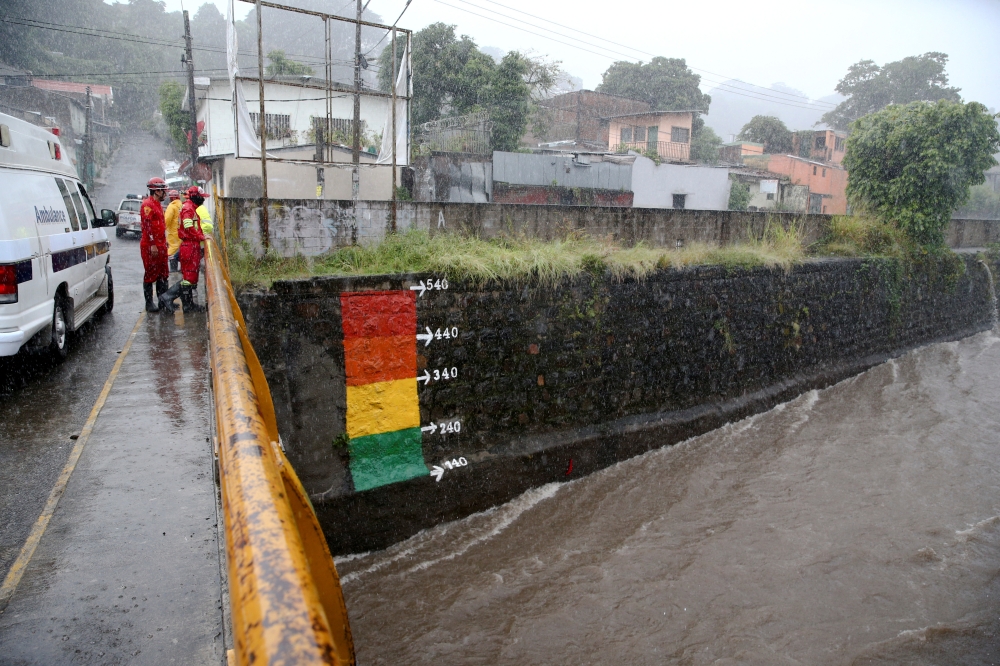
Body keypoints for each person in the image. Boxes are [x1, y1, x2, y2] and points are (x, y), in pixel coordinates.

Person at [159, 186, 207, 313]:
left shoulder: (191, 208)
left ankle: (188, 305)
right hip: (189, 245)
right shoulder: (188, 208)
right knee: (189, 278)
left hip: (192, 245)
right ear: (195, 196)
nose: (203, 200)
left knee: (190, 277)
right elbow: (188, 226)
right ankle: (167, 297)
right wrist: (200, 236)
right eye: (201, 197)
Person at [140, 177, 169, 312]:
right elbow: (147, 226)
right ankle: (149, 303)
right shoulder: (148, 205)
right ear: (156, 191)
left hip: (161, 244)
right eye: (163, 190)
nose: (165, 193)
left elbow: (160, 225)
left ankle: (164, 300)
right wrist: (152, 244)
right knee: (151, 273)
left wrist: (164, 241)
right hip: (151, 246)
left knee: (163, 274)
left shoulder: (158, 205)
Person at [164, 189, 183, 273]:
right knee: (180, 250)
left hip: (173, 233)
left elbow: (166, 220)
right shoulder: (181, 205)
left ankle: (173, 270)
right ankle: (182, 269)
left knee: (172, 251)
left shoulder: (171, 207)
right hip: (181, 232)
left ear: (171, 198)